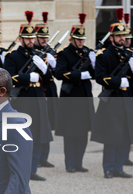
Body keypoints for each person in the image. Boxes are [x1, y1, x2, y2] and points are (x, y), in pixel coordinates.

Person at [4, 10, 53, 181]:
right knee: (20, 136)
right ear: (20, 39)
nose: (31, 41)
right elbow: (9, 78)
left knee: (37, 135)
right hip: (22, 100)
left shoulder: (38, 56)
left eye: (33, 38)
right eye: (28, 38)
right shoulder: (12, 56)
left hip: (38, 97)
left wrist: (46, 69)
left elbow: (48, 80)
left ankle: (32, 170)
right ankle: (16, 170)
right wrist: (26, 78)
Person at [91, 8, 133, 179]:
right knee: (112, 134)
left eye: (123, 36)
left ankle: (119, 166)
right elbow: (99, 77)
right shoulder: (104, 55)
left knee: (125, 134)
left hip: (126, 97)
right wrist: (118, 82)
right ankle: (109, 167)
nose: (122, 38)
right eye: (118, 36)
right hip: (112, 99)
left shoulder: (129, 54)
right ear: (111, 37)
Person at [54, 13, 95, 173]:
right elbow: (59, 73)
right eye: (78, 39)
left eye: (83, 39)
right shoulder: (65, 53)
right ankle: (70, 163)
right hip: (70, 97)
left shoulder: (87, 52)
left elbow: (95, 73)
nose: (81, 42)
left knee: (83, 131)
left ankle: (79, 162)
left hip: (84, 95)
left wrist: (94, 63)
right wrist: (79, 75)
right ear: (71, 39)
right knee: (70, 132)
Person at [34, 12, 57, 169]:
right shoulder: (33, 52)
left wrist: (54, 64)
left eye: (46, 37)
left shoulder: (51, 52)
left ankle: (44, 157)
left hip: (49, 90)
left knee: (47, 123)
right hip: (36, 91)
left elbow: (58, 72)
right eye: (41, 37)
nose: (44, 40)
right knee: (38, 123)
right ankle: (37, 156)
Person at [122, 12, 133, 167]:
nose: (127, 41)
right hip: (121, 90)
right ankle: (121, 157)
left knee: (130, 124)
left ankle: (126, 155)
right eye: (124, 38)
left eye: (129, 38)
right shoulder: (120, 54)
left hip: (132, 90)